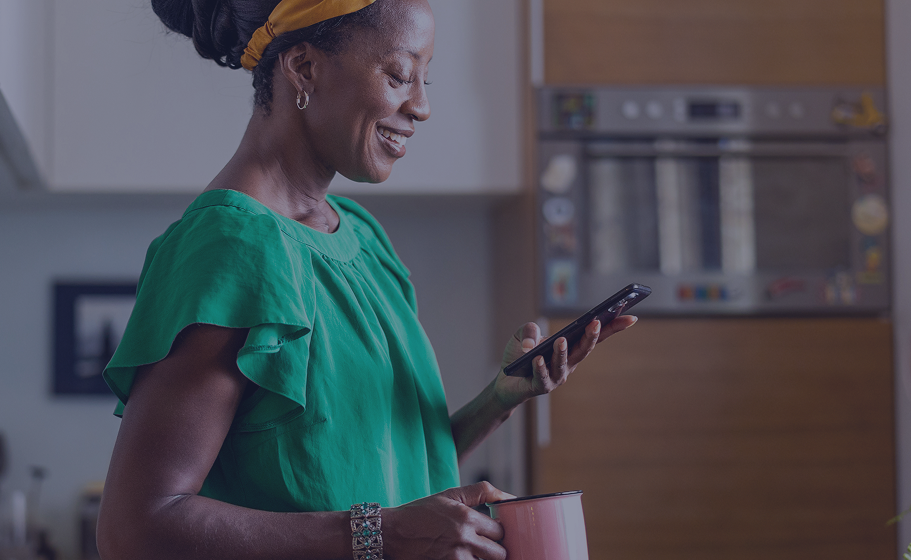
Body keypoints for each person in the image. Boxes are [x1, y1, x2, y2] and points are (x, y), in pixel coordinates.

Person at [95, 0, 636, 558]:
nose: (422, 106)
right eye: (400, 75)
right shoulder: (227, 249)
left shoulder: (362, 238)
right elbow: (135, 528)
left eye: (426, 79)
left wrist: (499, 399)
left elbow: (382, 468)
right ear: (303, 68)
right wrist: (382, 536)